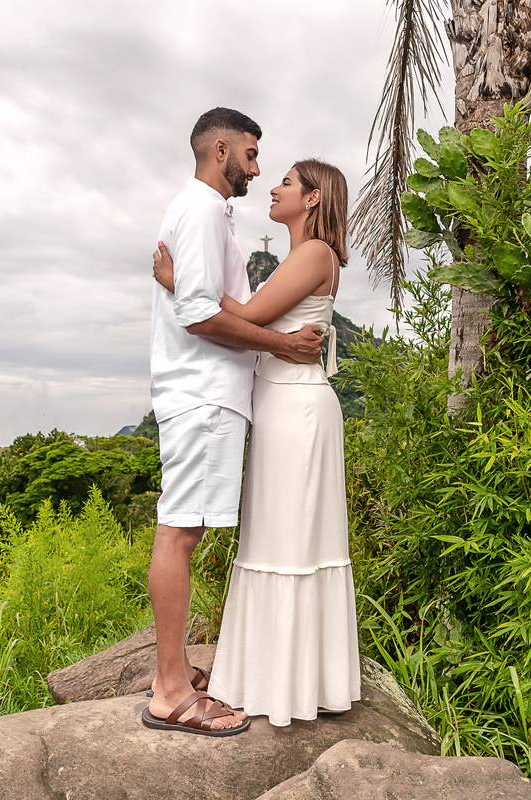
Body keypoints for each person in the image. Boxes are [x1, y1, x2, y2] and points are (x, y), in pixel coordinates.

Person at [152, 158, 362, 727]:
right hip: (279, 406)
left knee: (288, 543)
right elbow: (259, 327)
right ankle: (285, 677)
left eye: (288, 183)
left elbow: (245, 315)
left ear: (314, 199)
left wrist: (179, 284)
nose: (274, 187)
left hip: (295, 408)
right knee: (275, 541)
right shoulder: (302, 257)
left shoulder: (314, 254)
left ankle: (286, 684)